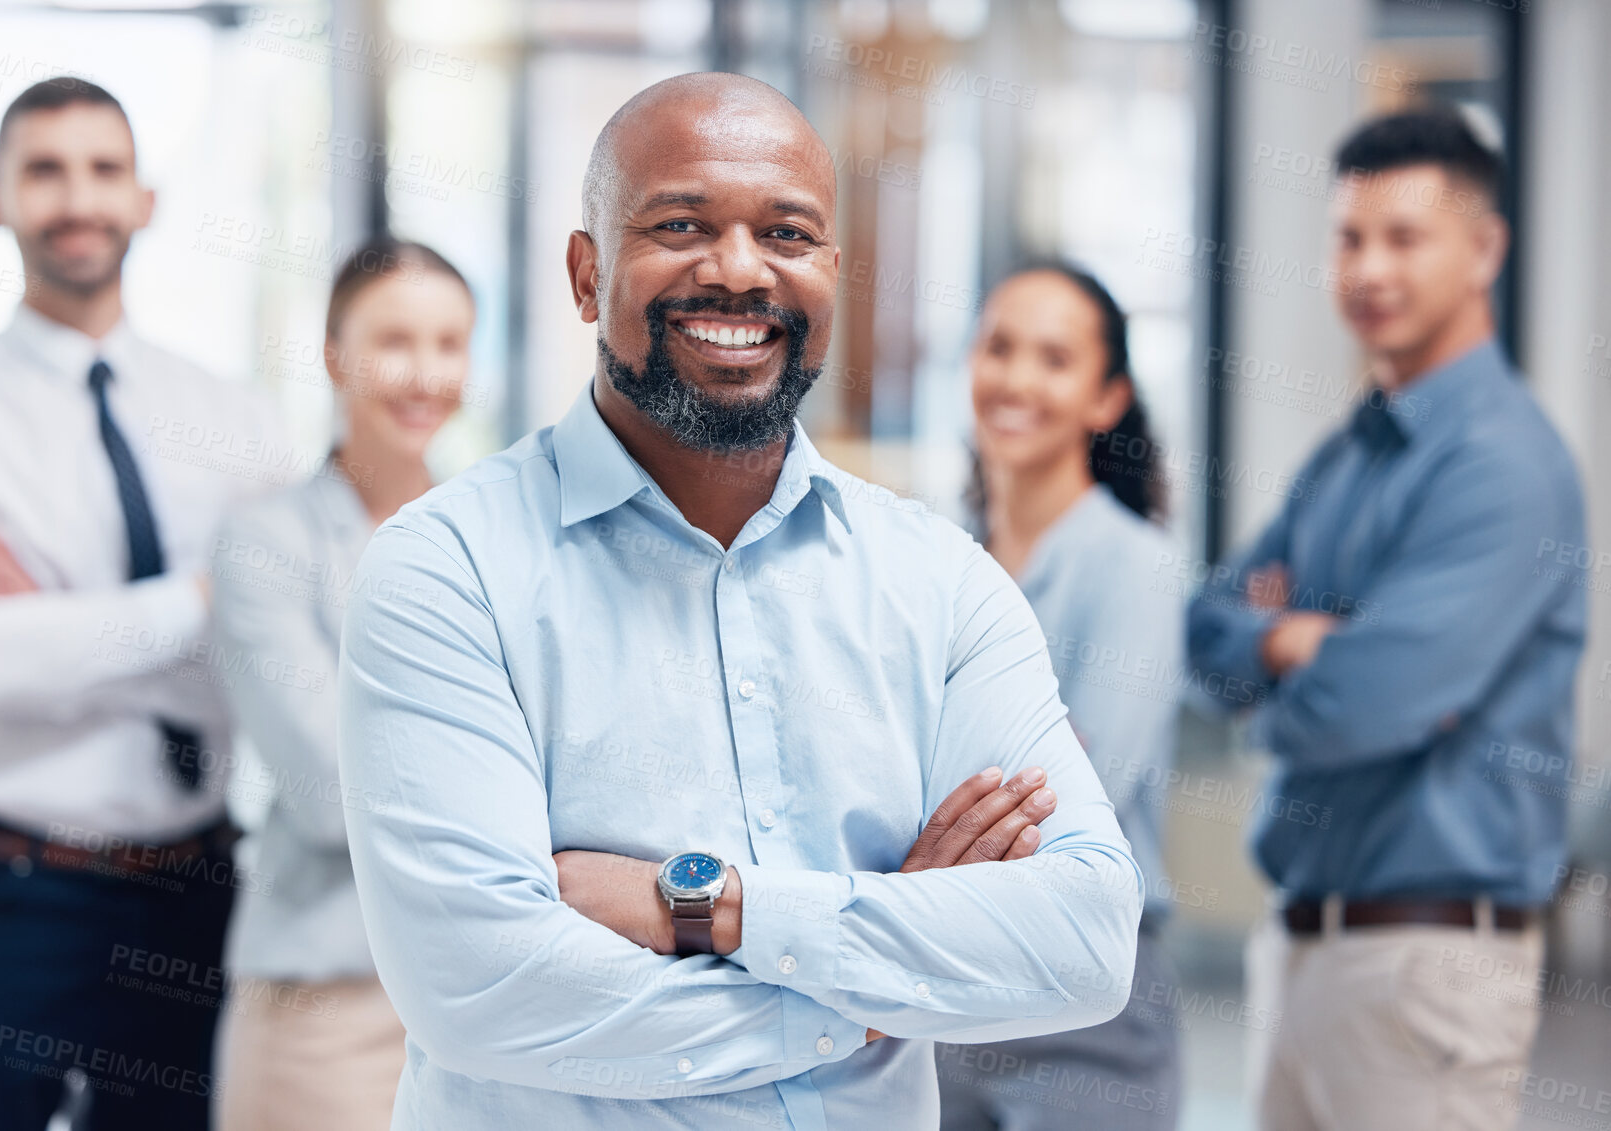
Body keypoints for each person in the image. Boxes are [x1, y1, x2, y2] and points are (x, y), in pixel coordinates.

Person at [335, 72, 1143, 1131]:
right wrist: (872, 992)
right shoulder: (447, 571)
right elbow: (482, 989)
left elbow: (1083, 941)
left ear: (832, 276)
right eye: (680, 224)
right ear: (587, 273)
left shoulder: (938, 583)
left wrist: (714, 906)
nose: (737, 270)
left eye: (787, 234)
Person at [0, 77, 287, 1130]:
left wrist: (60, 615)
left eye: (103, 169)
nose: (77, 198)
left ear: (146, 199)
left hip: (191, 899)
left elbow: (269, 660)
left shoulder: (236, 424)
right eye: (43, 171)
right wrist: (198, 598)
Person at [1187, 106, 1586, 1131]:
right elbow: (1204, 627)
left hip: (1427, 971)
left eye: (1405, 237)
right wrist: (1288, 640)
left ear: (1485, 249)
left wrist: (1288, 689)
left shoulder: (1503, 466)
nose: (1370, 269)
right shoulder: (1350, 450)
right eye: (1350, 237)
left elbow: (1360, 705)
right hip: (1302, 948)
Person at [210, 236, 476, 1131]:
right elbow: (331, 794)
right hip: (327, 1000)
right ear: (333, 356)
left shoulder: (495, 533)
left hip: (478, 996)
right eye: (393, 340)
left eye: (449, 344)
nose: (424, 373)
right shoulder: (267, 541)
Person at [937, 266, 1184, 1129]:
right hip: (938, 984)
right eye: (999, 348)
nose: (1016, 380)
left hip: (1087, 994)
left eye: (1054, 358)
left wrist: (926, 792)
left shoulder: (1136, 566)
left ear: (1105, 397)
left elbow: (1076, 797)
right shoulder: (939, 563)